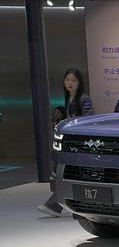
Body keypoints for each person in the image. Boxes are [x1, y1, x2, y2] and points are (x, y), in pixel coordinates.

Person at [38, 68, 94, 217]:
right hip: (71, 145)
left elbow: (89, 119)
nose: (70, 83)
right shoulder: (69, 98)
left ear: (79, 82)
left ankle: (56, 206)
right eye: (67, 80)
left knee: (73, 175)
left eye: (73, 80)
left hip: (81, 145)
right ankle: (67, 207)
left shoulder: (84, 99)